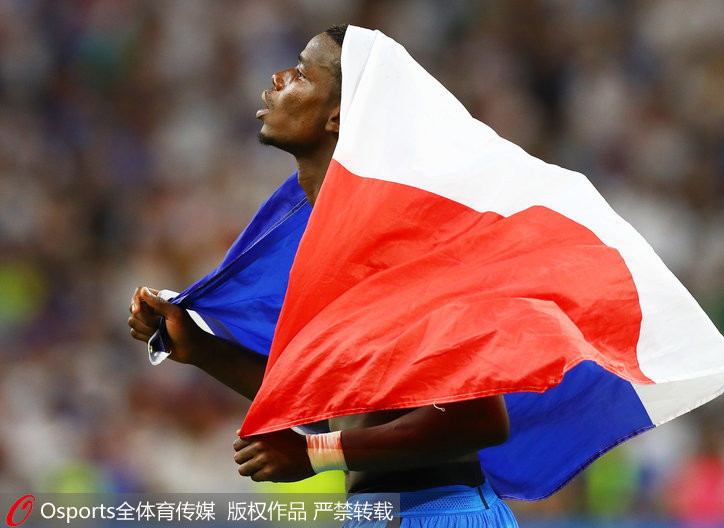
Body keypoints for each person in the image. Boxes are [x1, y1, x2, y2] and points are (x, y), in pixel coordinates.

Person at [128, 25, 518, 527]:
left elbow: (480, 417)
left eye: (302, 73)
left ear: (337, 115)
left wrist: (315, 456)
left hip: (441, 512)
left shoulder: (402, 239)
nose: (278, 77)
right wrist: (202, 348)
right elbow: (339, 405)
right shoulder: (324, 241)